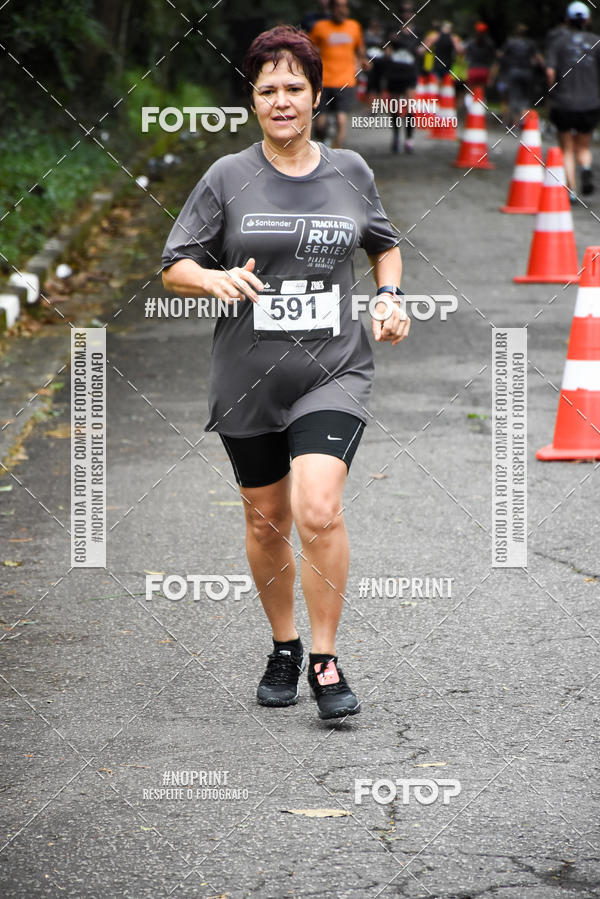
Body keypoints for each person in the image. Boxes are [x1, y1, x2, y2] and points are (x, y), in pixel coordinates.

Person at [160, 25, 410, 720]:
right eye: (267, 90)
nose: (281, 101)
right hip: (248, 375)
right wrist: (213, 282)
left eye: (293, 88)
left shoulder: (351, 171)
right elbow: (175, 261)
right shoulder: (227, 177)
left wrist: (389, 298)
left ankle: (326, 660)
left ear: (316, 94)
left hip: (333, 367)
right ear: (252, 100)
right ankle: (284, 646)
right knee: (267, 518)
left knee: (317, 507)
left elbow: (383, 247)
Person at [546, 1, 600, 197]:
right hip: (590, 103)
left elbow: (550, 73)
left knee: (567, 148)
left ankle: (571, 191)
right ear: (587, 20)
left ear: (567, 20)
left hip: (565, 103)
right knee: (583, 146)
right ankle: (585, 168)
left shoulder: (558, 43)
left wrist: (552, 91)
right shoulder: (596, 41)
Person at [309, 0, 368, 147]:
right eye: (338, 6)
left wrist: (363, 60)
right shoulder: (319, 27)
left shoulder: (354, 27)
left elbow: (360, 49)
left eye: (345, 6)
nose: (342, 10)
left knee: (341, 121)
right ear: (331, 8)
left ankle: (334, 158)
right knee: (320, 126)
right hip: (323, 81)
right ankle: (324, 143)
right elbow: (309, 49)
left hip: (346, 81)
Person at [372, 25, 423, 153]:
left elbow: (422, 49)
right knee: (394, 108)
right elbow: (385, 51)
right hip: (394, 75)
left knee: (410, 107)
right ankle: (396, 137)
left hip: (409, 74)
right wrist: (390, 42)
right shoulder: (392, 32)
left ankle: (409, 140)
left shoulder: (417, 34)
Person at [492, 24, 542, 128]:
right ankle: (524, 121)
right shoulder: (530, 43)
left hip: (513, 72)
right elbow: (537, 58)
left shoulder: (510, 43)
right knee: (524, 97)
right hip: (527, 72)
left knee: (514, 97)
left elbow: (500, 55)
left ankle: (515, 123)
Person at [464, 22, 496, 101]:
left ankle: (470, 109)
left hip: (473, 70)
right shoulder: (489, 44)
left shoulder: (470, 43)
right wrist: (491, 76)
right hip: (484, 71)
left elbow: (466, 57)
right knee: (481, 92)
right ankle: (479, 109)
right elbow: (493, 60)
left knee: (470, 92)